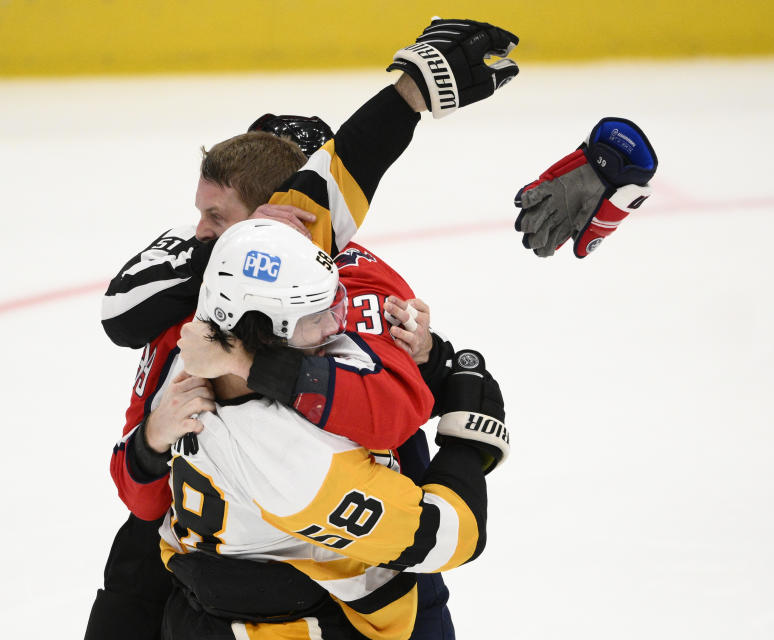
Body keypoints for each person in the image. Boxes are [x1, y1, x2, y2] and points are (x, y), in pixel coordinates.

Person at [87, 17, 521, 640]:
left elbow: (340, 178)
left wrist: (411, 93)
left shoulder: (213, 314)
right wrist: (468, 434)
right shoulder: (257, 296)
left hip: (222, 555)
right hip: (315, 553)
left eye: (217, 217)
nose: (200, 233)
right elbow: (438, 520)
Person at [118, 219, 508, 639]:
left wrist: (428, 359)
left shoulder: (197, 348)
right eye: (315, 315)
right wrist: (468, 439)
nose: (335, 326)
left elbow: (348, 385)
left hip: (200, 608)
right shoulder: (291, 462)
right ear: (264, 333)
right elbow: (450, 535)